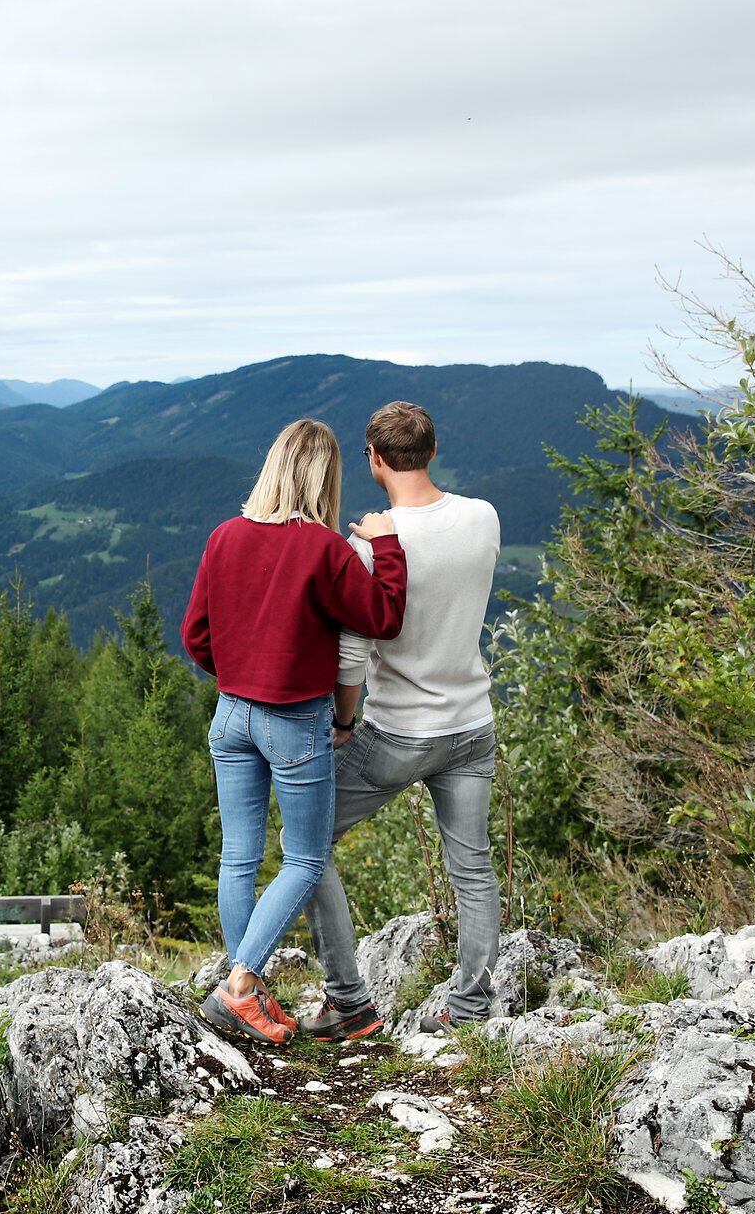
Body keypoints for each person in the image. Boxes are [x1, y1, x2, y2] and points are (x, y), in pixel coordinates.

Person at [180, 418, 406, 1045]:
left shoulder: (224, 536)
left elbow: (195, 635)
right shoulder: (325, 550)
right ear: (325, 478)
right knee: (304, 858)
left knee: (239, 856)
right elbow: (382, 617)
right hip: (294, 719)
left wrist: (239, 674)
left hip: (230, 715)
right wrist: (386, 546)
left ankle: (242, 985)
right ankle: (241, 987)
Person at [298, 401, 502, 1041]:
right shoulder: (483, 518)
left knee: (308, 847)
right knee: (473, 868)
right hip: (471, 724)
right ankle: (470, 1011)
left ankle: (348, 998)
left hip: (396, 734)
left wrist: (342, 721)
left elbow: (353, 654)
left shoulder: (367, 550)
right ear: (432, 452)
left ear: (375, 459)